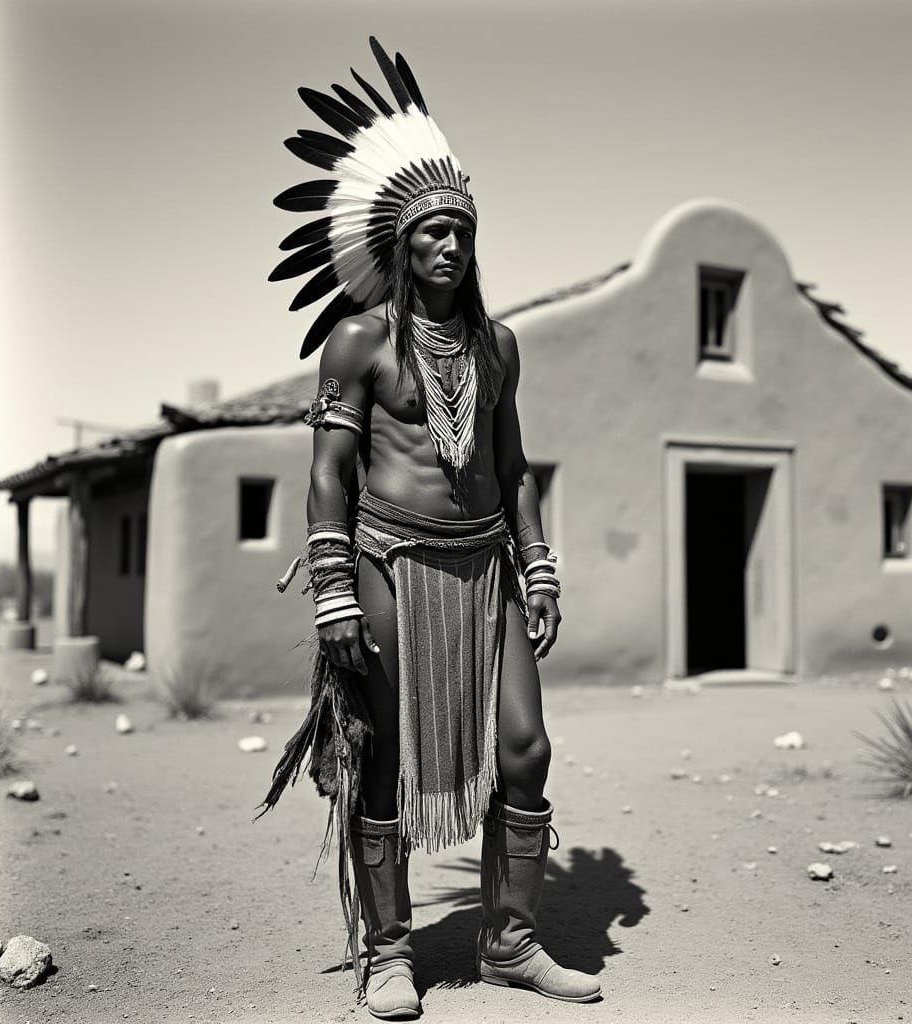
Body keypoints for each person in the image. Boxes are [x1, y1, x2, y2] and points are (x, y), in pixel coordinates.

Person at [257, 38, 600, 1021]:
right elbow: (326, 471)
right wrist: (330, 590)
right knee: (380, 754)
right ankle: (389, 953)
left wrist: (538, 569)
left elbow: (515, 465)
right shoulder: (358, 341)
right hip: (387, 560)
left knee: (526, 746)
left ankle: (510, 941)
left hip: (484, 563)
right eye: (433, 232)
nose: (450, 246)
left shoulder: (499, 344)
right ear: (399, 246)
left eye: (462, 232)